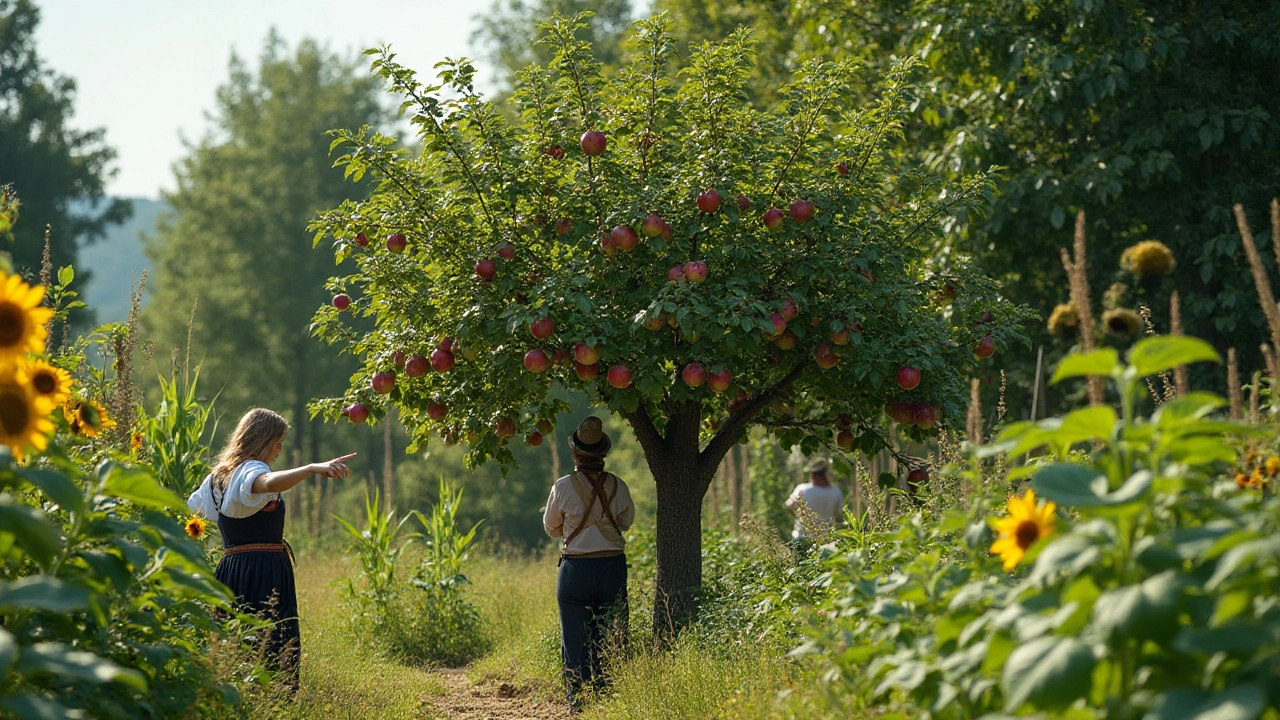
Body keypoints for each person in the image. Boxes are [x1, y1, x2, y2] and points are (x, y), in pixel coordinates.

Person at [187, 408, 354, 693]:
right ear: (263, 440)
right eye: (277, 442)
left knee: (236, 640)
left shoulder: (217, 477)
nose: (278, 450)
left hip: (230, 570)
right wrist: (312, 468)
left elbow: (197, 508)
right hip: (263, 569)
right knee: (271, 639)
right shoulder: (252, 470)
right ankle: (272, 699)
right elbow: (266, 483)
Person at [543, 416, 636, 709]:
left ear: (574, 453)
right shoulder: (618, 485)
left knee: (574, 638)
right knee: (610, 634)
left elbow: (551, 527)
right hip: (611, 567)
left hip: (575, 569)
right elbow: (627, 521)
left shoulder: (562, 486)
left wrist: (573, 530)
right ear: (603, 454)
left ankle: (579, 702)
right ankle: (609, 697)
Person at [785, 457, 844, 547]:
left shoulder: (802, 489)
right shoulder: (836, 492)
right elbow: (839, 517)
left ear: (813, 474)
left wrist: (801, 516)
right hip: (826, 540)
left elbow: (789, 505)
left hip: (802, 537)